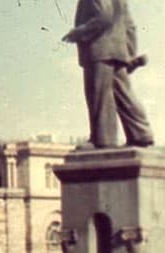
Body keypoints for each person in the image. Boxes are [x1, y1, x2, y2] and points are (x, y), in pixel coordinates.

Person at [62, 0, 154, 148]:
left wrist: (78, 33)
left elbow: (104, 17)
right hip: (116, 51)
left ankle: (103, 140)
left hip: (100, 50)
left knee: (99, 95)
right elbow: (130, 25)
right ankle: (141, 134)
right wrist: (128, 53)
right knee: (123, 94)